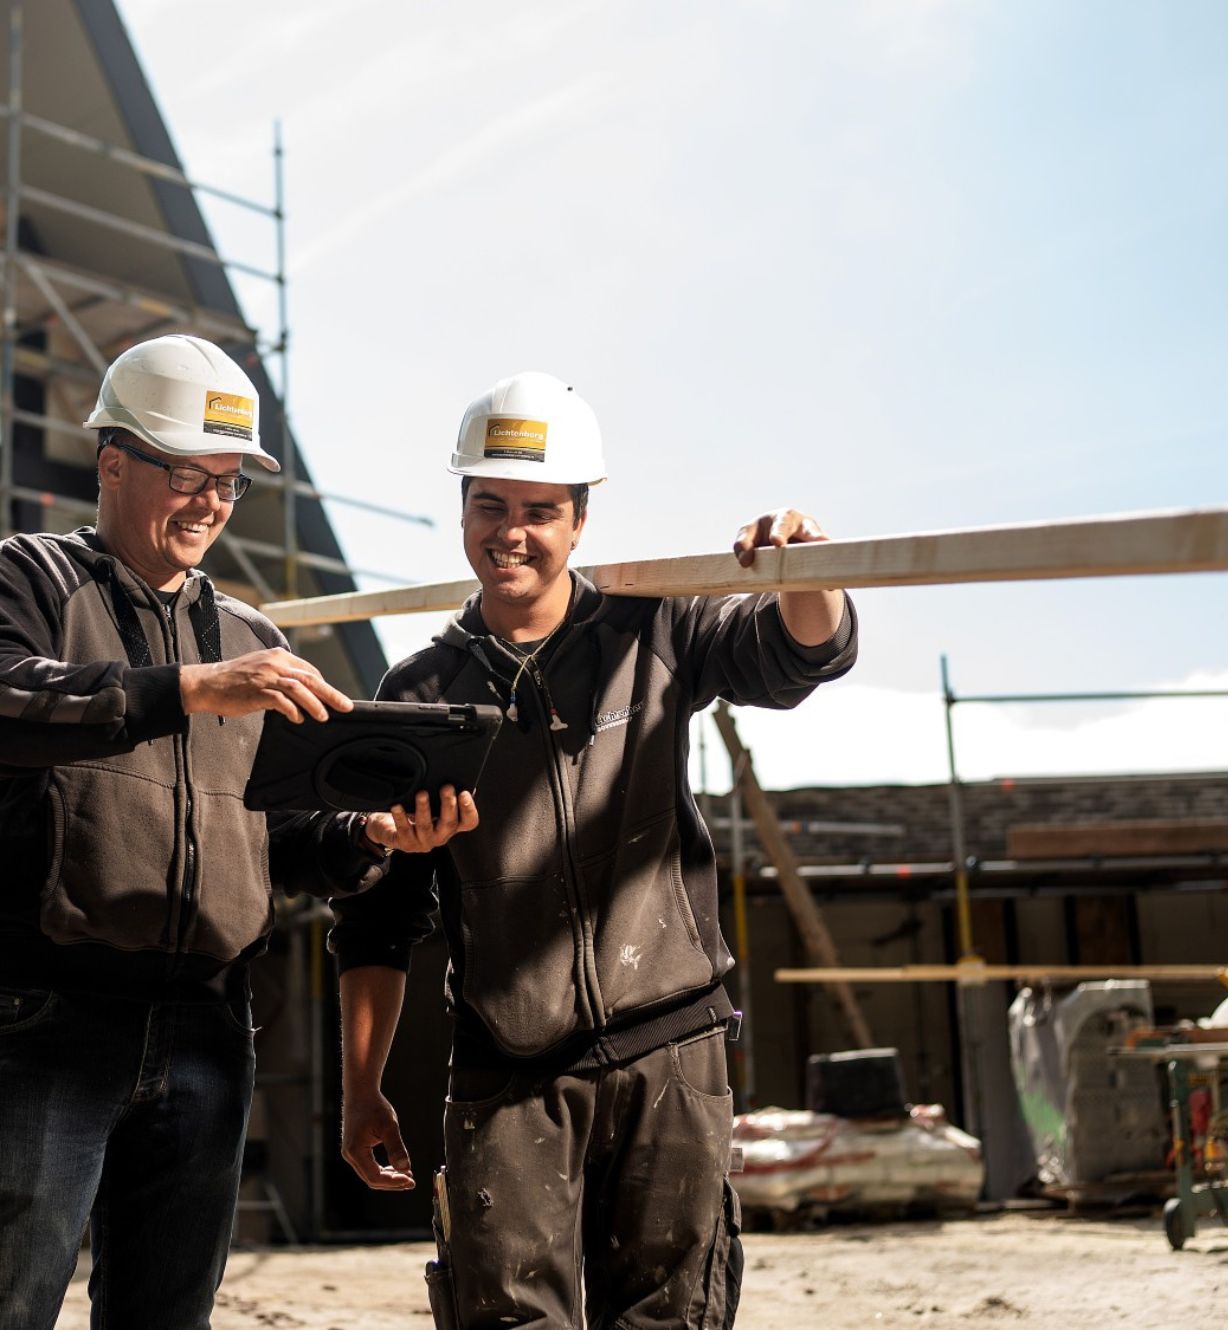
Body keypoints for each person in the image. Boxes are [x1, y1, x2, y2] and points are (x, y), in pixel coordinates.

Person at [0, 333, 476, 1329]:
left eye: (226, 483)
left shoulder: (255, 641)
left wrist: (369, 835)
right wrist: (189, 687)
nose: (210, 504)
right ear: (112, 462)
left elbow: (272, 838)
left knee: (166, 1316)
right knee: (0, 1309)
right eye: (188, 474)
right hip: (50, 1014)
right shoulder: (30, 578)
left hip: (208, 1030)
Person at [329, 371, 857, 1330]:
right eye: (489, 504)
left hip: (671, 1049)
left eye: (539, 510)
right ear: (460, 511)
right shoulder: (417, 694)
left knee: (673, 1316)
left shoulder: (652, 630)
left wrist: (803, 574)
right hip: (508, 1072)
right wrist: (359, 1088)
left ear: (580, 521)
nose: (511, 532)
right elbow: (376, 915)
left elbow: (796, 656)